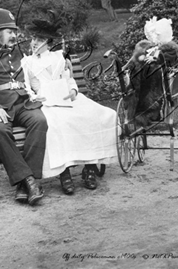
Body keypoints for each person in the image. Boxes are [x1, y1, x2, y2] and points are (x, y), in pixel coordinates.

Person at [21, 15, 118, 195]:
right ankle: (64, 172)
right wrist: (34, 97)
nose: (34, 43)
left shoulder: (59, 58)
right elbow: (27, 87)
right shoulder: (28, 62)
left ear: (49, 43)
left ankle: (89, 167)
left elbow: (69, 80)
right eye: (33, 38)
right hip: (46, 103)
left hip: (65, 98)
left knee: (94, 116)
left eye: (39, 39)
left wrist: (73, 90)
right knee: (57, 125)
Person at [0, 8, 48, 206]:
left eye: (15, 31)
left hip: (21, 104)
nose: (15, 35)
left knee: (39, 121)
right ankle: (30, 181)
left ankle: (24, 184)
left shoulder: (18, 54)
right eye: (10, 31)